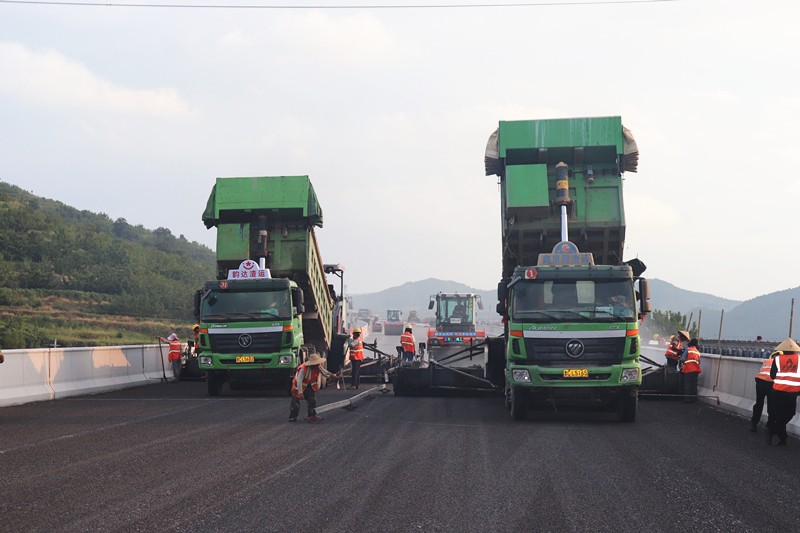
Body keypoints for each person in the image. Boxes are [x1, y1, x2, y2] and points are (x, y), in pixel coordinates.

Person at [767, 338, 800, 446]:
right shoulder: (799, 359)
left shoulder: (777, 359)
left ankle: (779, 433)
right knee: (790, 413)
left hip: (778, 391)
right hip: (792, 391)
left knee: (779, 414)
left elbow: (772, 375)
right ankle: (779, 433)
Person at [289, 352, 338, 423]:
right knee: (295, 402)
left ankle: (311, 416)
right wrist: (300, 392)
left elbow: (325, 372)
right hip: (298, 387)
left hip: (309, 386)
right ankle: (293, 417)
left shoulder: (317, 367)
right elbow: (299, 381)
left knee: (312, 400)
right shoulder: (303, 369)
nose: (318, 365)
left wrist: (334, 376)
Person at [751, 350, 776, 432]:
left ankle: (754, 423)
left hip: (760, 382)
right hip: (771, 384)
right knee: (772, 405)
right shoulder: (779, 363)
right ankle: (770, 425)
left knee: (759, 403)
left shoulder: (766, 361)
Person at [680, 338, 702, 402]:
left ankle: (687, 399)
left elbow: (682, 359)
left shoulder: (688, 350)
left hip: (688, 369)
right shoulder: (697, 352)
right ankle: (694, 399)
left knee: (687, 384)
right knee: (694, 385)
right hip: (696, 370)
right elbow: (699, 362)